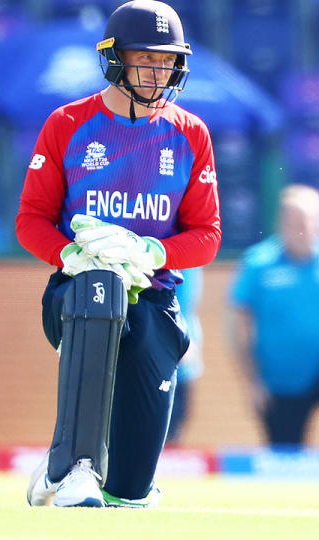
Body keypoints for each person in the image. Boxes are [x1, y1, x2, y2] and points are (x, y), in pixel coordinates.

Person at [19, 1, 221, 508]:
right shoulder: (67, 123)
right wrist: (71, 255)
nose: (159, 72)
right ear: (114, 59)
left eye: (167, 61)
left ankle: (100, 471)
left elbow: (207, 235)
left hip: (155, 298)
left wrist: (152, 251)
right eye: (146, 58)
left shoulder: (190, 132)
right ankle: (75, 467)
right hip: (75, 288)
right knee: (100, 289)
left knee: (131, 491)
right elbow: (30, 221)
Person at [231, 184, 319, 448]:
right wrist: (252, 381)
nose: (304, 229)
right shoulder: (258, 263)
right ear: (281, 223)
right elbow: (240, 330)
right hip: (280, 381)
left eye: (311, 220)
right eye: (296, 222)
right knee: (286, 456)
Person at [166, 265, 204, 443]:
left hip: (180, 355)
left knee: (174, 427)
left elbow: (185, 304)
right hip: (155, 350)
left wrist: (184, 338)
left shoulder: (189, 262)